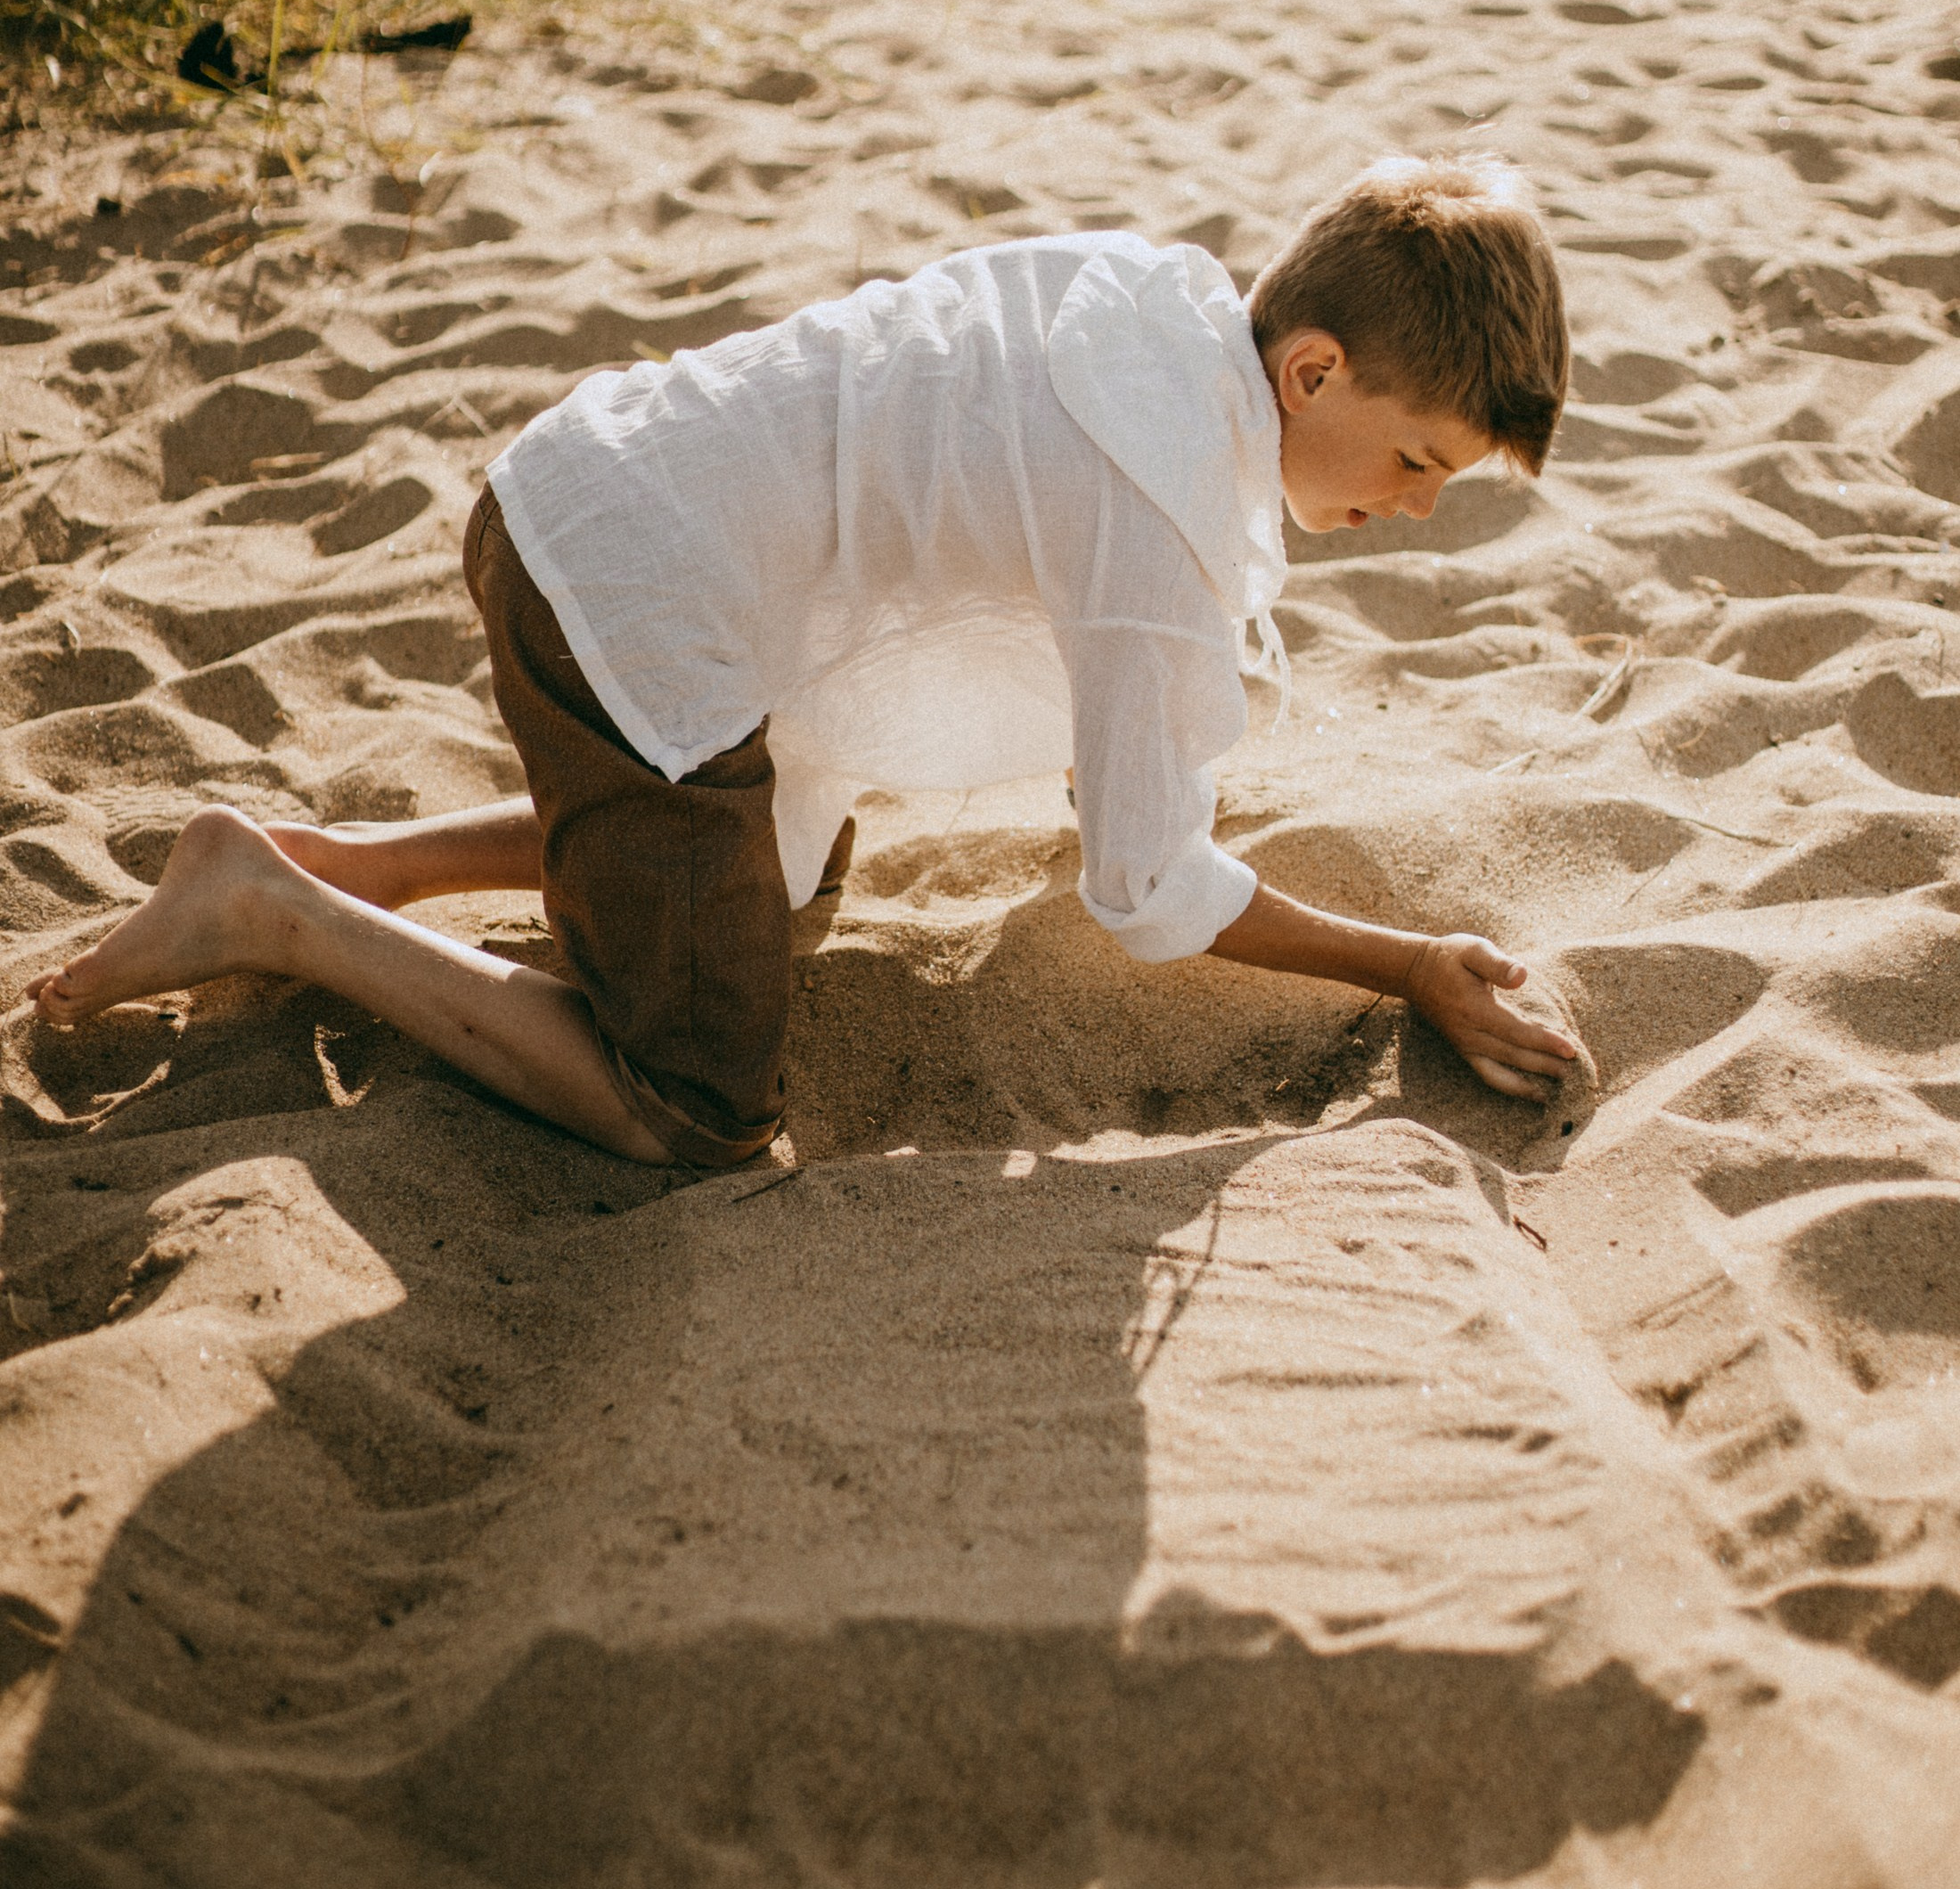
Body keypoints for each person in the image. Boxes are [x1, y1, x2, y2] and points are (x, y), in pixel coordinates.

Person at [29, 153, 1580, 1159]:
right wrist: (1408, 966)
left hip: (592, 494)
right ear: (1311, 371)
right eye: (1420, 460)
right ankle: (278, 909)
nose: (1416, 508)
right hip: (621, 591)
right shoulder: (1158, 507)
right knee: (696, 1109)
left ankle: (360, 864)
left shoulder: (1159, 307)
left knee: (789, 877)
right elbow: (1147, 885)